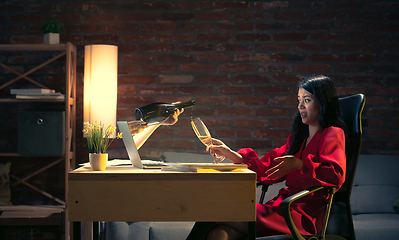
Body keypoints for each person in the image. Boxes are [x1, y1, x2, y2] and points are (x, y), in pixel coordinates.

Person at [186, 75, 347, 240]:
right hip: (279, 209)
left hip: (301, 216)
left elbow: (335, 175)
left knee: (215, 209)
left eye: (307, 100)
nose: (300, 106)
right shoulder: (297, 139)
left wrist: (299, 164)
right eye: (298, 100)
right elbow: (267, 168)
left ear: (323, 102)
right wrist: (231, 154)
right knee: (219, 234)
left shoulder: (332, 133)